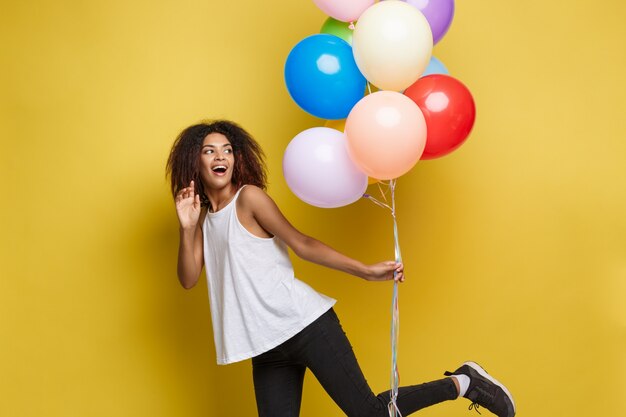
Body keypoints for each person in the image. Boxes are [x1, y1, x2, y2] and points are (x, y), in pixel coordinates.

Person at [166, 120, 516, 417]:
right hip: (265, 347)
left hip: (305, 327)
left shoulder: (249, 199)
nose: (220, 156)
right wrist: (186, 227)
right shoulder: (202, 220)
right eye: (209, 150)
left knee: (371, 414)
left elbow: (302, 244)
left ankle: (464, 381)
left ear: (236, 157)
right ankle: (465, 381)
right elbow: (188, 279)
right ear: (194, 161)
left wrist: (364, 270)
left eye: (226, 149)